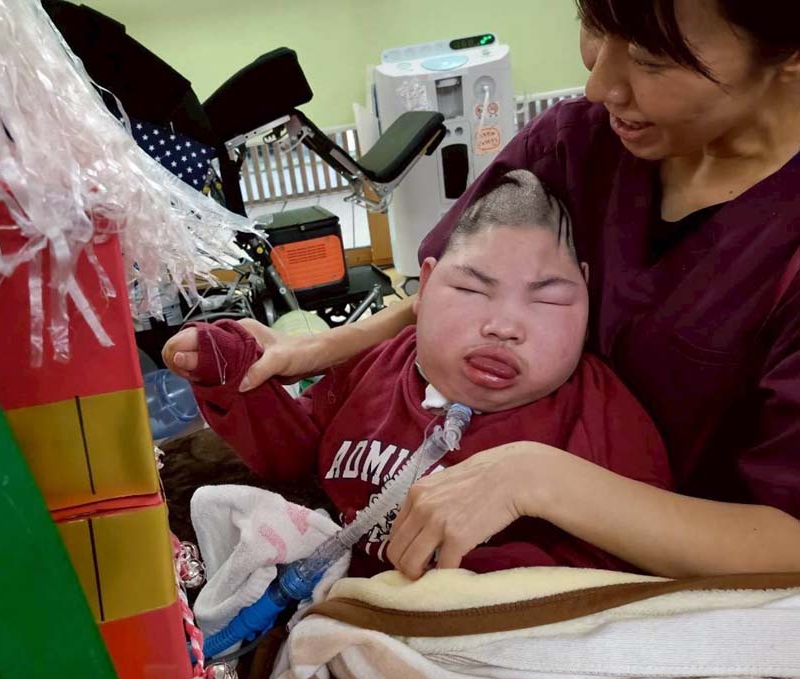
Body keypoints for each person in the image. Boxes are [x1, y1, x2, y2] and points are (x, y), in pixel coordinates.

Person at [199, 0, 800, 580]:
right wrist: (326, 348)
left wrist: (535, 479)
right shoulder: (576, 144)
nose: (598, 85)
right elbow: (457, 281)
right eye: (593, 23)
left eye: (651, 58)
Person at [164, 171, 671, 578]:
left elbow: (630, 559)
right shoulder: (377, 363)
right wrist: (234, 377)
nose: (503, 327)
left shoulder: (601, 414)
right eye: (471, 291)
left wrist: (472, 579)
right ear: (424, 287)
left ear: (586, 298)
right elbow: (297, 458)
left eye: (549, 300)